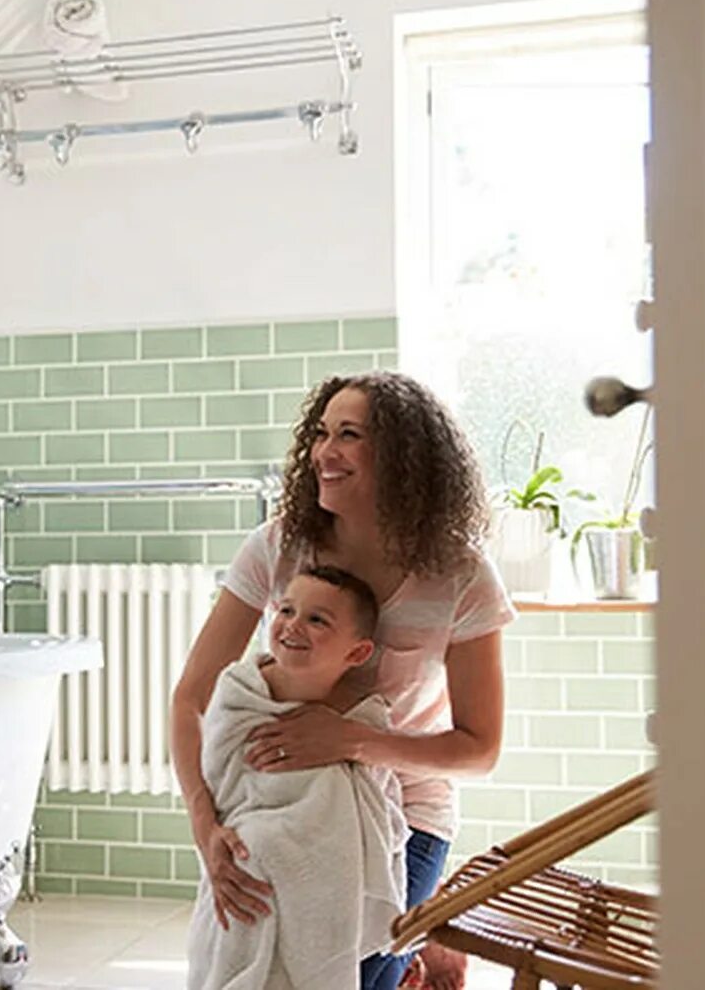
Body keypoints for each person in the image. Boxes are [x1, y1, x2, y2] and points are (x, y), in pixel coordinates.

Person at [171, 371, 514, 990]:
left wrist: (351, 742)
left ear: (404, 458)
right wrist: (204, 824)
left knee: (355, 970)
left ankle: (415, 944)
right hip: (281, 802)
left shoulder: (462, 574)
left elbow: (479, 749)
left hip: (408, 812)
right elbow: (193, 696)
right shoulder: (277, 547)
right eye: (321, 434)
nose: (322, 454)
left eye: (348, 435)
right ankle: (423, 948)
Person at [186, 566, 408, 990]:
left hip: (325, 855)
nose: (292, 625)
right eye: (286, 609)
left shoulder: (363, 715)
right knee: (253, 855)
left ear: (357, 654)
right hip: (247, 835)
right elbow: (223, 777)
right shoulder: (241, 691)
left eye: (317, 620)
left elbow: (378, 806)